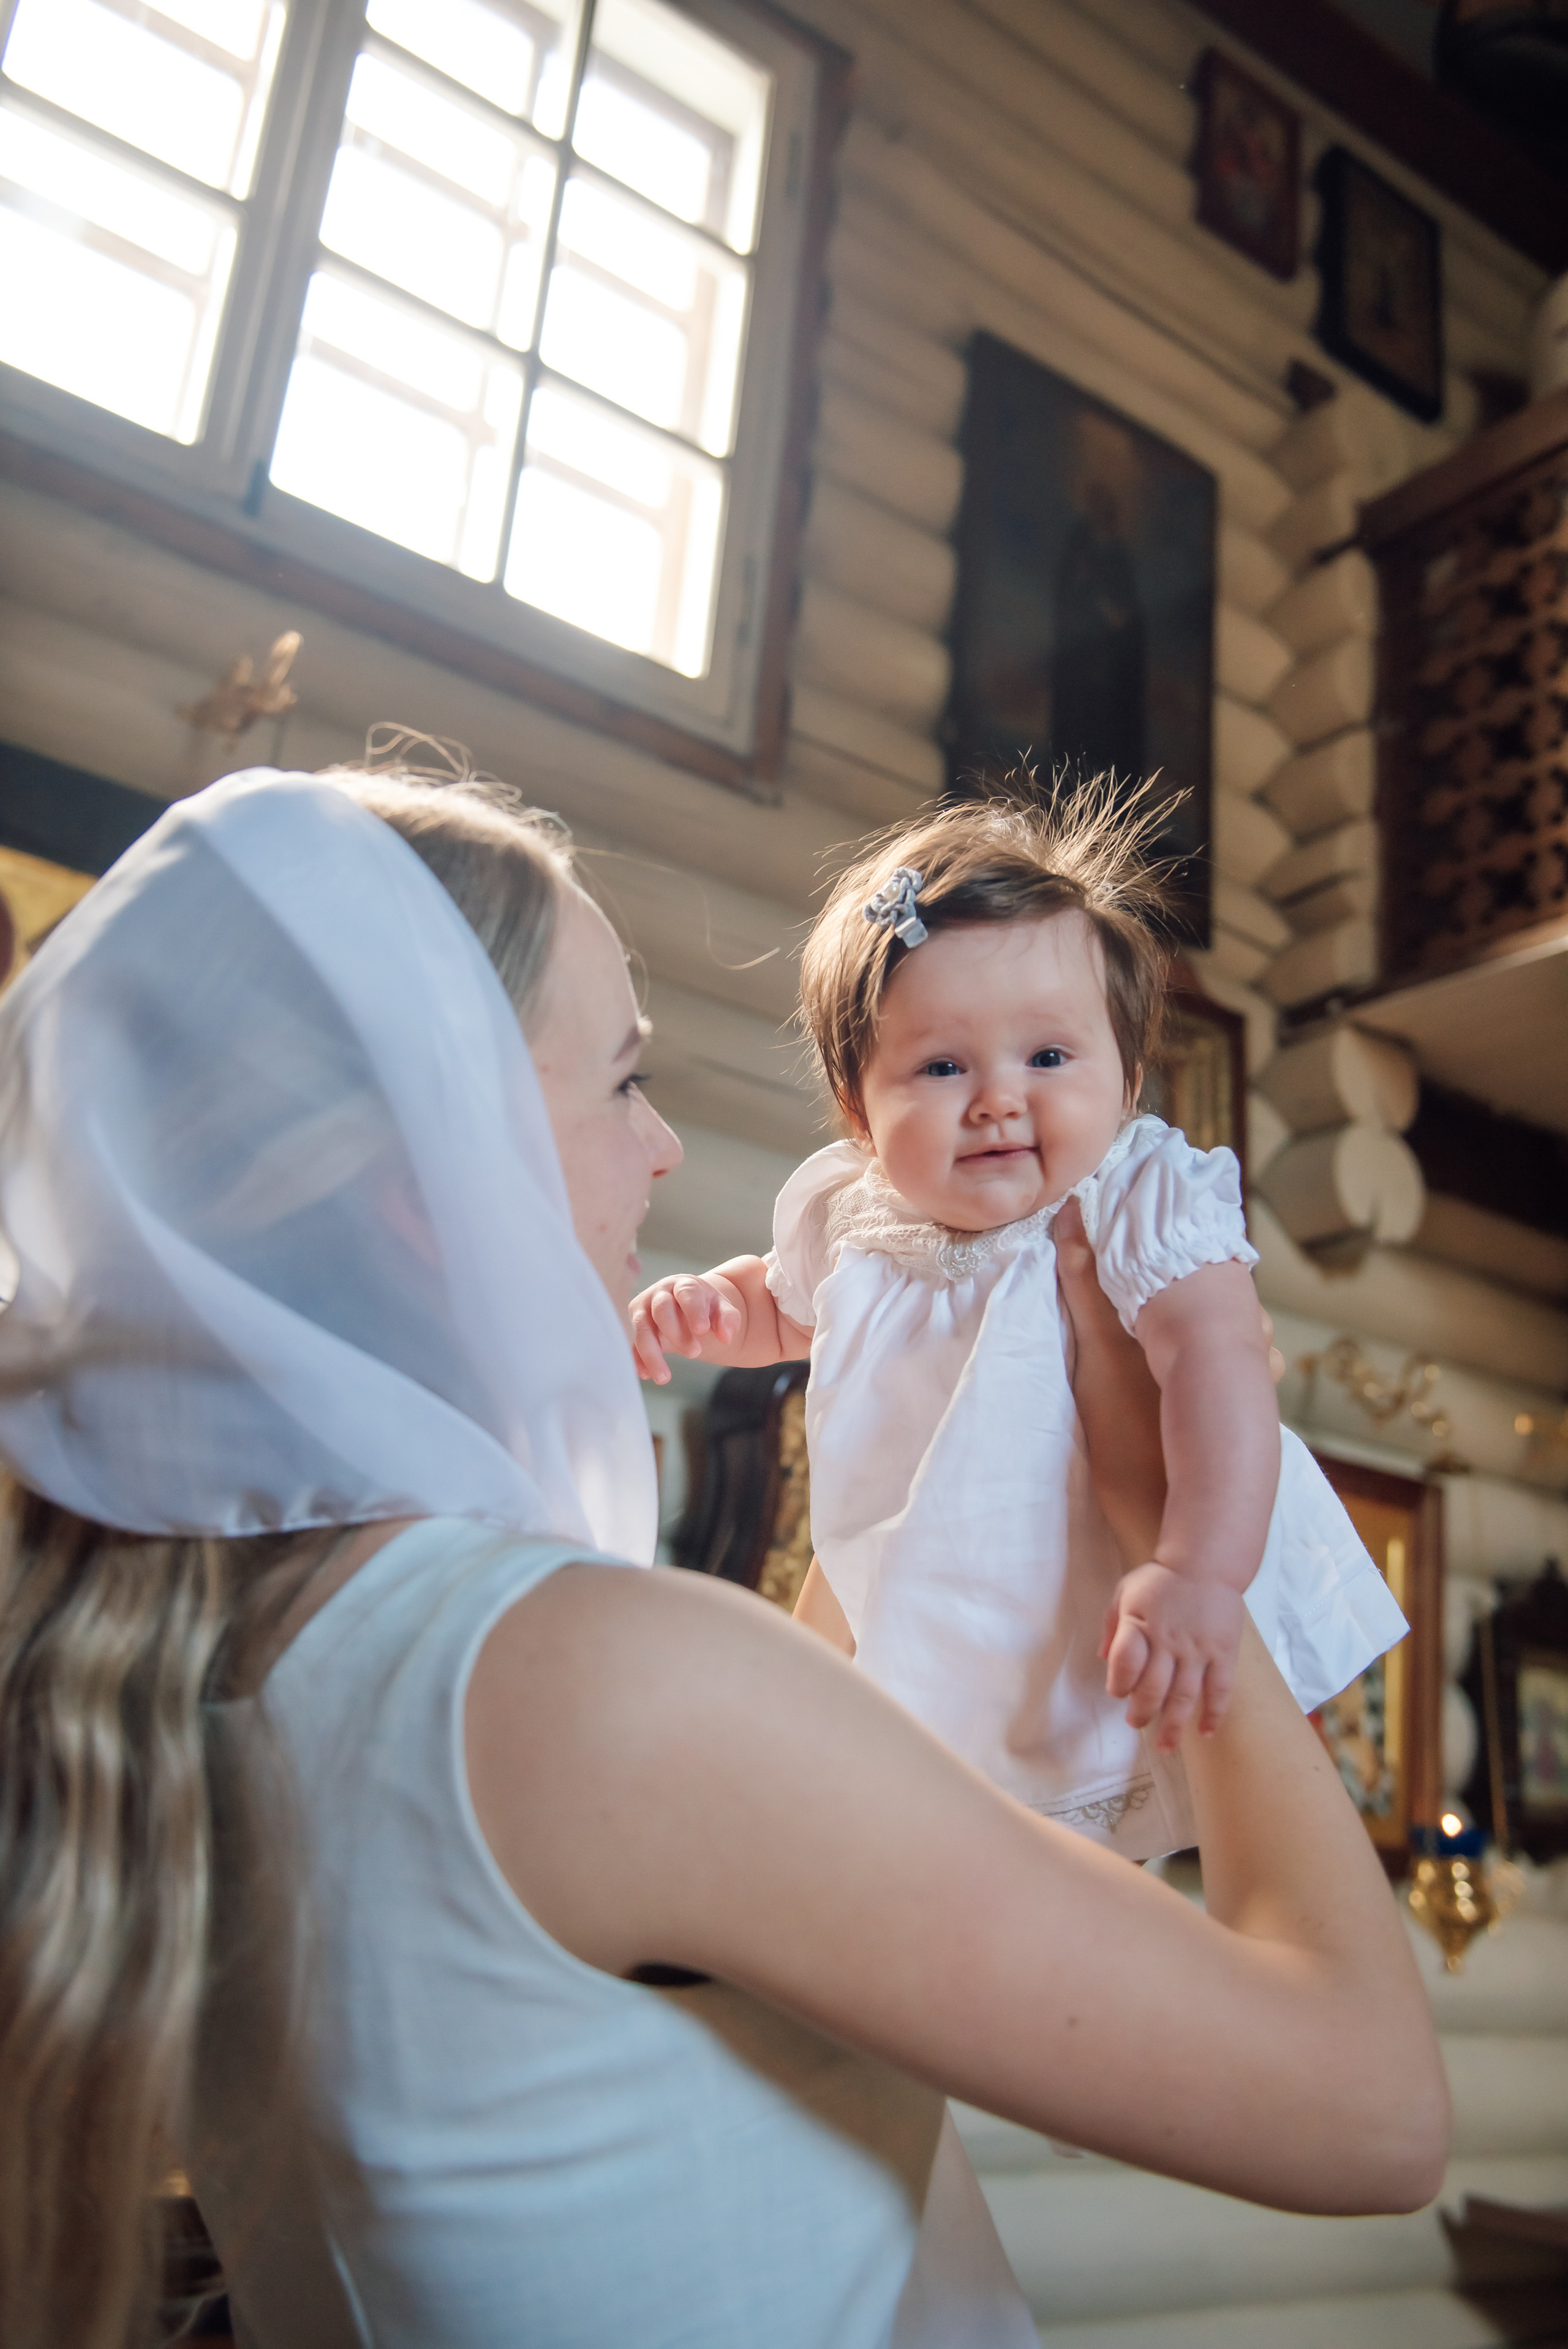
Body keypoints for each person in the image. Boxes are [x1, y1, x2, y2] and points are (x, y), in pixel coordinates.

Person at [0, 763, 1447, 2349]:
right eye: (621, 1082)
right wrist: (1140, 1499)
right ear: (428, 1170)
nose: (669, 1148)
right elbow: (1374, 2113)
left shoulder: (187, 1666)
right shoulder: (580, 1684)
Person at [632, 792, 1408, 1858]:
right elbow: (784, 1305)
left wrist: (1199, 1569)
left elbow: (1221, 1365)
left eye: (1048, 1057)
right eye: (944, 1066)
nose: (1000, 1098)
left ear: (1127, 1076)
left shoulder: (1133, 1196)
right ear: (859, 1109)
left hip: (1116, 1587)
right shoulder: (852, 1216)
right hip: (949, 1595)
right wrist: (720, 1305)